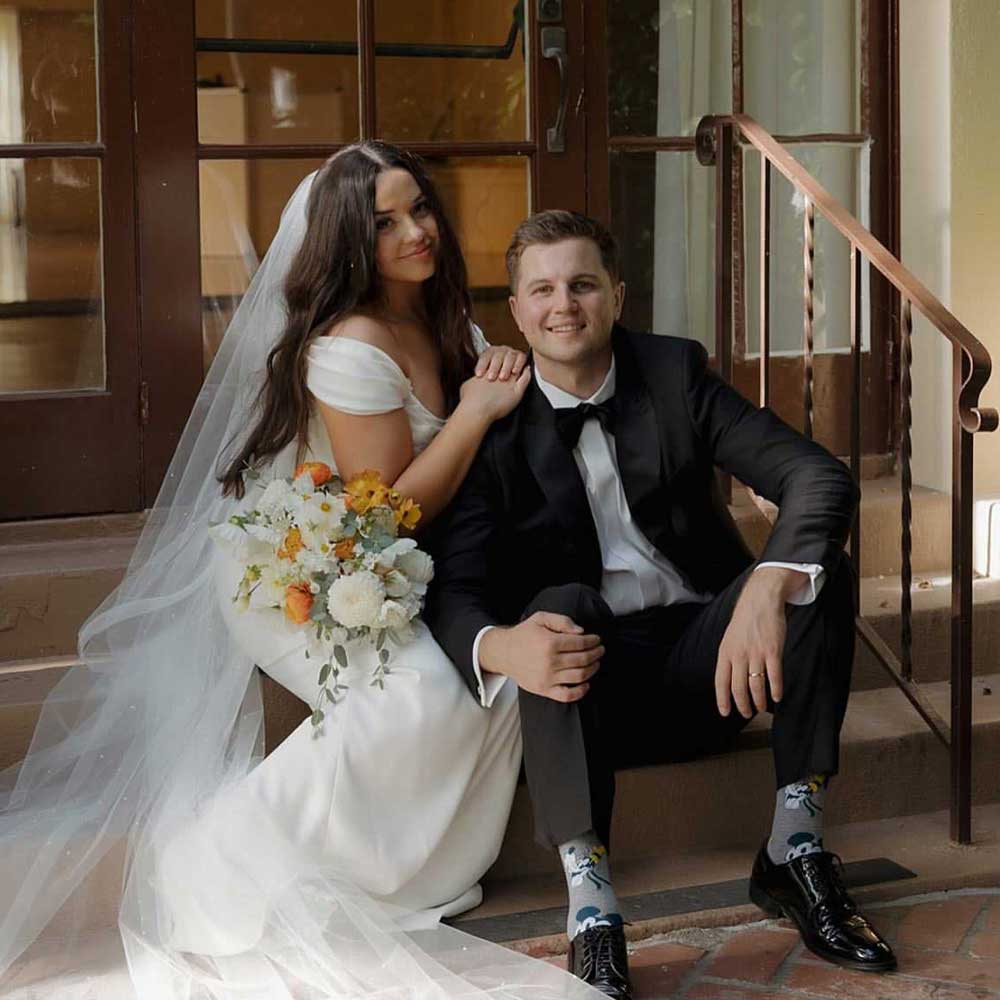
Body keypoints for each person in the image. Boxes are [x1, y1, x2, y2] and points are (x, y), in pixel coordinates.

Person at [0, 147, 606, 1000]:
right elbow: (388, 509)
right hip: (300, 573)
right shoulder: (348, 346)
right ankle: (213, 860)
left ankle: (405, 875)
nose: (416, 231)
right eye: (385, 222)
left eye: (420, 208)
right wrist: (474, 410)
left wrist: (495, 367)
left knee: (498, 678)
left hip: (392, 564)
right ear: (351, 239)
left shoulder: (443, 318)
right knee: (424, 694)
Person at [426, 210, 897, 999]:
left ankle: (795, 847)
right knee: (558, 606)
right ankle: (592, 909)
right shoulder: (493, 421)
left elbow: (816, 476)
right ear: (516, 311)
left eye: (582, 284)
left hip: (713, 666)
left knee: (817, 570)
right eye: (542, 290)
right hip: (588, 686)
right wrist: (503, 647)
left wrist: (766, 584)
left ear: (616, 295)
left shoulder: (673, 374)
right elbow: (453, 589)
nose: (563, 304)